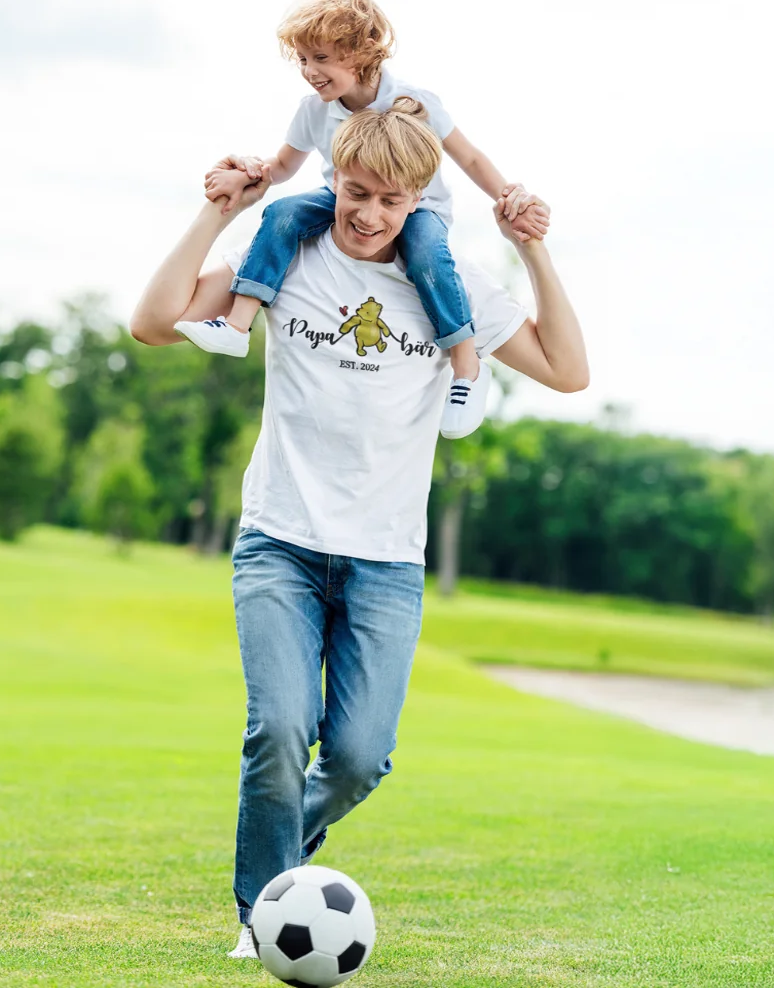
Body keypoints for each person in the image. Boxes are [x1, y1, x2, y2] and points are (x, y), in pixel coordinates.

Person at [129, 98, 587, 959]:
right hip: (280, 541)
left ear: (419, 200)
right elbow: (153, 322)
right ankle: (261, 911)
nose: (369, 215)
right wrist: (216, 210)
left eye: (391, 201)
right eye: (356, 191)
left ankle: (277, 858)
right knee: (278, 728)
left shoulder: (445, 277)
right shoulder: (290, 251)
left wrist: (532, 248)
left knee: (358, 758)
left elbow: (568, 370)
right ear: (334, 179)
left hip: (385, 562)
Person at [173, 0, 551, 441]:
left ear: (359, 54)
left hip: (416, 209)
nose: (310, 72)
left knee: (428, 255)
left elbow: (468, 158)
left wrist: (509, 195)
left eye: (321, 58)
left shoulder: (415, 102)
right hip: (342, 199)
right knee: (283, 213)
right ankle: (237, 323)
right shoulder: (313, 112)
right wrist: (245, 176)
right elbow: (282, 167)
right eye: (302, 61)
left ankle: (467, 367)